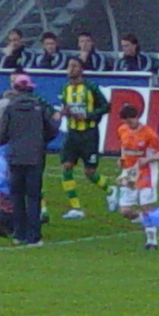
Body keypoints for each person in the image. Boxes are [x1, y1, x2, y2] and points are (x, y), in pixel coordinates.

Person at [0, 73, 58, 246]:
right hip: (35, 157)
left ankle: (19, 234)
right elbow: (52, 130)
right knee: (33, 197)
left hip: (14, 157)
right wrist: (40, 141)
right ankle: (34, 236)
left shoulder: (10, 108)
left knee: (17, 196)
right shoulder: (40, 108)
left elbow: (1, 134)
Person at [59, 56, 109, 218]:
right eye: (69, 66)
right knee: (66, 166)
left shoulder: (91, 87)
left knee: (90, 172)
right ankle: (76, 208)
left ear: (81, 69)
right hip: (72, 133)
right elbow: (67, 107)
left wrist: (88, 115)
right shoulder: (65, 88)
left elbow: (106, 106)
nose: (70, 69)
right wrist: (65, 113)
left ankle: (111, 190)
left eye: (74, 66)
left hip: (89, 134)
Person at [112, 105, 159, 249]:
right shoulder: (122, 130)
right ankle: (150, 222)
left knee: (146, 206)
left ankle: (152, 241)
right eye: (126, 122)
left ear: (136, 118)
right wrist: (122, 160)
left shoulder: (149, 134)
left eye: (130, 121)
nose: (128, 125)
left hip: (146, 173)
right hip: (129, 173)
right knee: (125, 211)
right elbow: (124, 149)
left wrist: (148, 160)